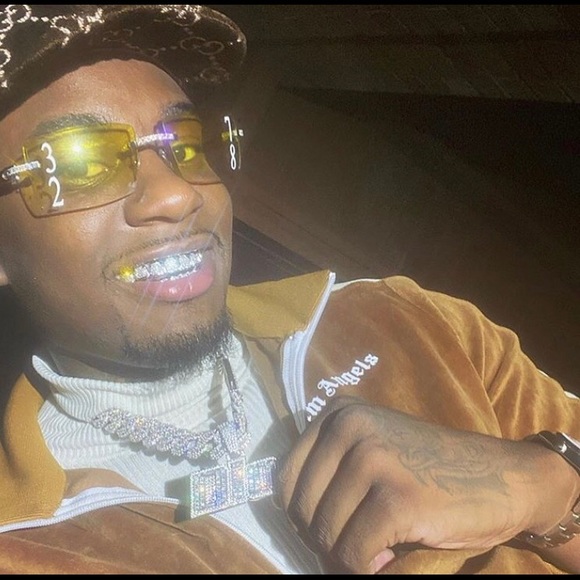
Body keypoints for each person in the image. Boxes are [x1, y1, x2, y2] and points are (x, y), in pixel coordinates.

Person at [0, 4, 578, 575]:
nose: (178, 194)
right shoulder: (27, 551)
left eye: (184, 144)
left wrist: (541, 486)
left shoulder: (411, 323)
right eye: (78, 163)